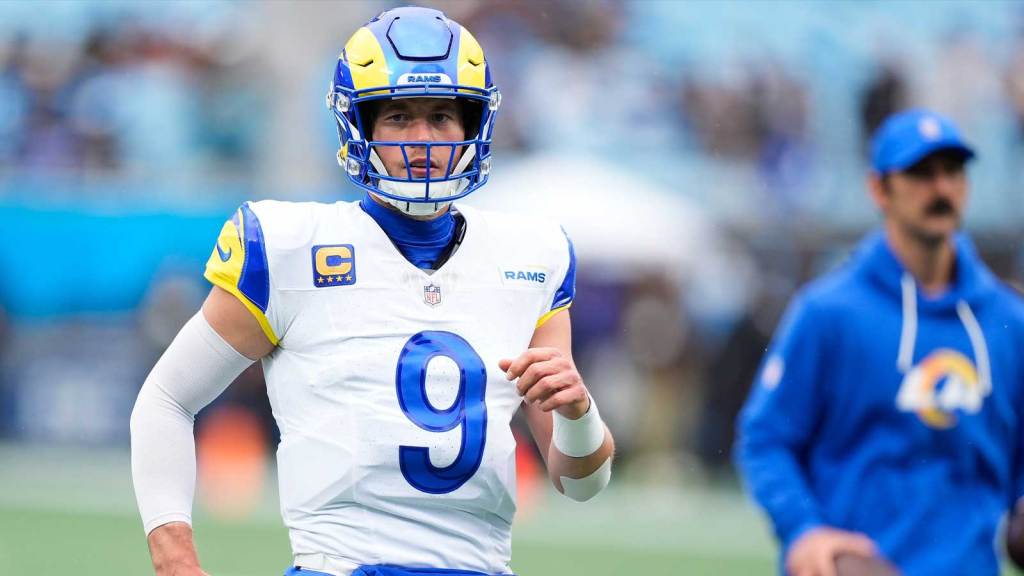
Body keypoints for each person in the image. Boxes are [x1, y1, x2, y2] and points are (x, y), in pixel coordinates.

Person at [129, 7, 614, 576]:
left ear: (472, 126)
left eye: (441, 117)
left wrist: (580, 413)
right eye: (399, 117)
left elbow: (581, 484)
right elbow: (166, 400)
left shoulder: (532, 255)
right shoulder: (289, 246)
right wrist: (175, 558)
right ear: (358, 125)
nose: (422, 140)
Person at [735, 108, 1024, 576]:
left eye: (953, 172)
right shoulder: (828, 312)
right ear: (878, 189)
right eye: (920, 173)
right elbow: (766, 439)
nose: (941, 188)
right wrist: (804, 530)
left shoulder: (1008, 321)